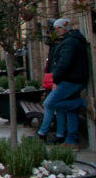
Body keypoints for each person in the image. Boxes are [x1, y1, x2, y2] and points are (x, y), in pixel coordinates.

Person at [37, 18, 89, 146]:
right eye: (55, 29)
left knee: (49, 104)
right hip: (75, 79)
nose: (57, 31)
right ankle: (71, 140)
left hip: (70, 81)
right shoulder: (71, 41)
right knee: (71, 111)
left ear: (66, 28)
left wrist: (56, 79)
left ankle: (83, 103)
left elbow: (63, 64)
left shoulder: (69, 43)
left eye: (59, 28)